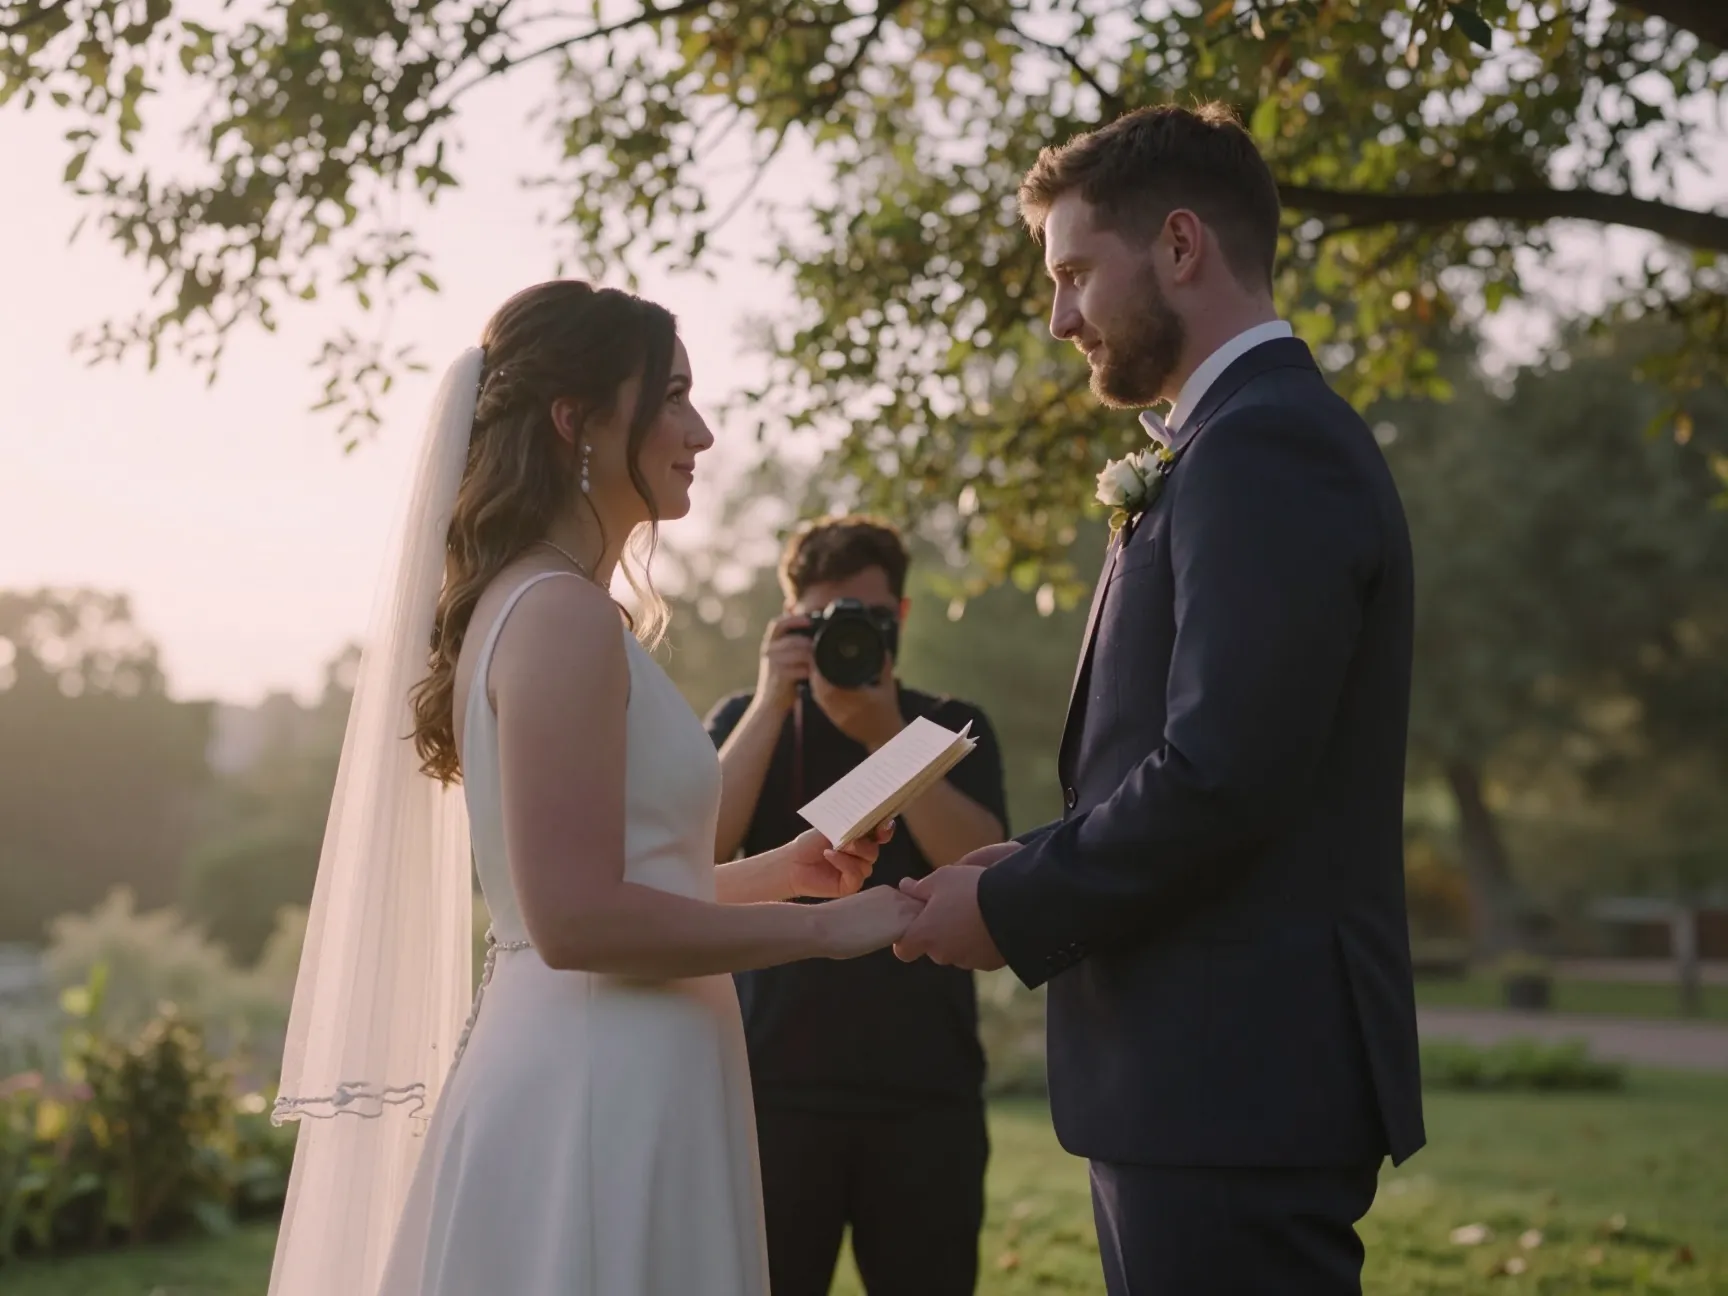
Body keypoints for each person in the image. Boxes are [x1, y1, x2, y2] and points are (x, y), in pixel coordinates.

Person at [267, 281, 921, 1296]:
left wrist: (779, 875)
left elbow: (614, 884)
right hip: (597, 1079)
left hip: (630, 1062)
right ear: (574, 419)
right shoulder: (558, 615)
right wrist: (834, 931)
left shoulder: (549, 605)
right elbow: (573, 924)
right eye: (670, 397)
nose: (700, 429)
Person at [894, 103, 1427, 1295]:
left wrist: (1020, 903)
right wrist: (1015, 860)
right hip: (1195, 1081)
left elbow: (1228, 769)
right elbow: (1188, 754)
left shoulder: (1266, 444)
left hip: (1236, 1078)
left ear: (1181, 246)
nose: (1059, 317)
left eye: (1076, 272)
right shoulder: (1226, 442)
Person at [704, 516, 1008, 1296]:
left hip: (923, 1095)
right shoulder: (747, 721)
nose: (849, 636)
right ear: (789, 620)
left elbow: (984, 862)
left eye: (868, 618)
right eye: (825, 619)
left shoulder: (946, 723)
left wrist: (885, 734)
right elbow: (695, 851)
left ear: (900, 617)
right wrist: (773, 701)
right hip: (772, 1090)